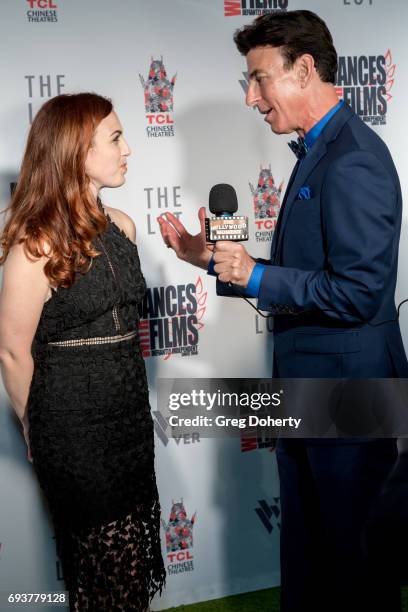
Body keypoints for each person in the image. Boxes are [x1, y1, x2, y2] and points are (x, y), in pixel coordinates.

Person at [158, 10, 408, 612]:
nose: (250, 97)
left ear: (303, 69)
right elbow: (311, 274)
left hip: (349, 395)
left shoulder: (353, 159)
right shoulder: (319, 149)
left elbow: (358, 293)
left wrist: (257, 273)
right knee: (310, 556)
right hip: (310, 392)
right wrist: (213, 261)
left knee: (350, 565)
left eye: (258, 79)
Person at [0, 93, 165, 611]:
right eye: (115, 138)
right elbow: (11, 352)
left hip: (130, 420)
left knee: (131, 567)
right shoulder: (36, 242)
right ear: (76, 150)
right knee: (103, 572)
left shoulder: (123, 226)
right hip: (71, 430)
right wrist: (37, 428)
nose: (128, 149)